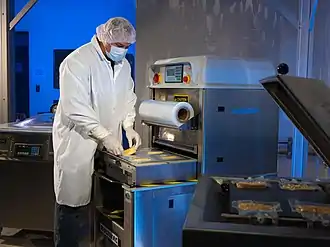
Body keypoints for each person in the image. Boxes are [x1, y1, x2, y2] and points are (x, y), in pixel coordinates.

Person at [52, 17, 141, 247]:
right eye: (119, 45)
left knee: (103, 208)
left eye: (127, 46)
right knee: (73, 210)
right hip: (77, 145)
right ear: (104, 39)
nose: (123, 50)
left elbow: (127, 98)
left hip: (106, 148)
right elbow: (75, 108)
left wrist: (129, 125)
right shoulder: (77, 62)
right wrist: (104, 134)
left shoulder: (124, 66)